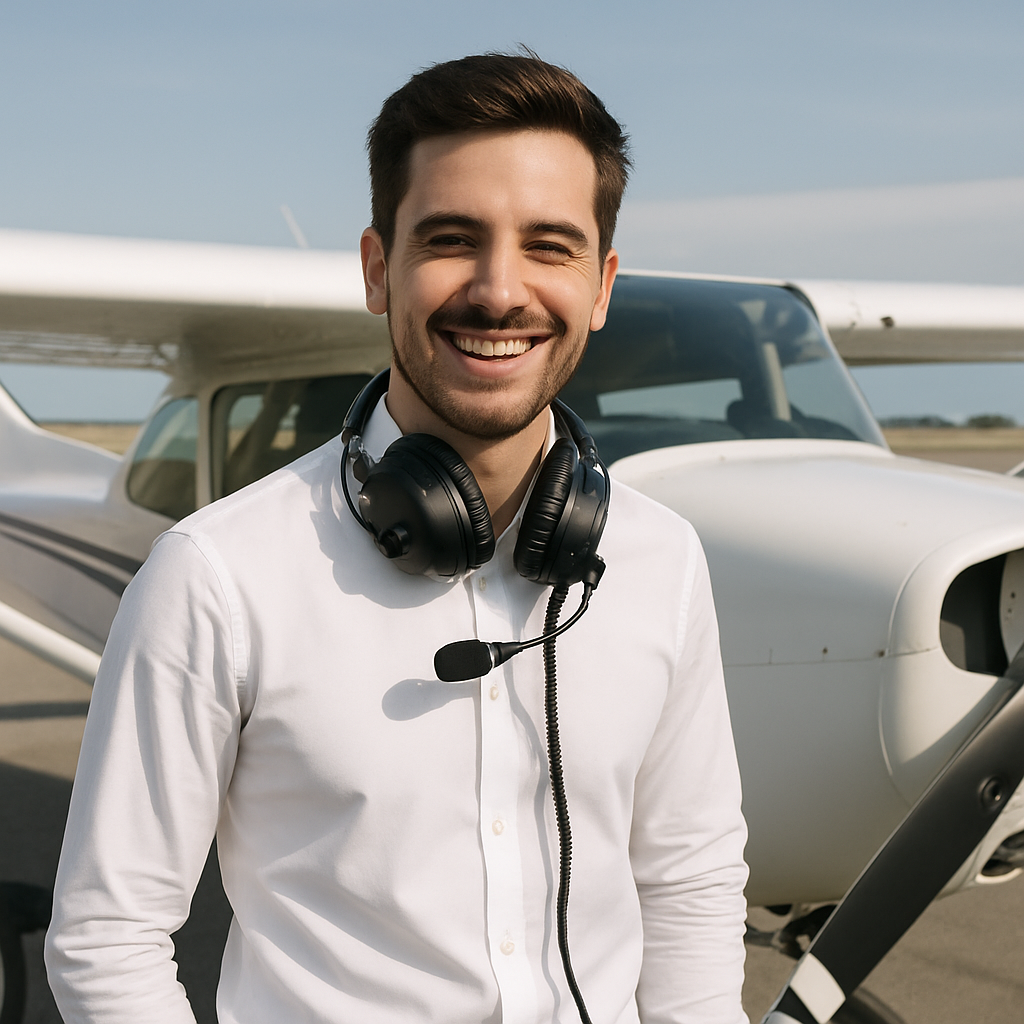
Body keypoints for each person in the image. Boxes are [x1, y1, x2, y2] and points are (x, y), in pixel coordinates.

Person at [45, 53, 749, 1023]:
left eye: (550, 245)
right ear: (379, 270)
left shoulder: (659, 559)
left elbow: (688, 880)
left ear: (600, 284)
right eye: (452, 239)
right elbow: (107, 935)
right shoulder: (218, 573)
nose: (499, 291)